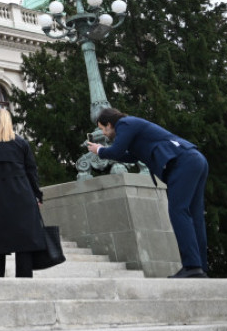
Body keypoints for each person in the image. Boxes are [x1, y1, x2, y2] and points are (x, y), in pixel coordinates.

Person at [87, 107, 209, 278]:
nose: (104, 134)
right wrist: (103, 152)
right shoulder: (132, 126)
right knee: (194, 216)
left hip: (182, 163)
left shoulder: (124, 124)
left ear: (109, 124)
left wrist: (99, 150)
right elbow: (131, 156)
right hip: (194, 159)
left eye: (102, 129)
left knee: (178, 211)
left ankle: (192, 266)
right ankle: (200, 268)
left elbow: (116, 151)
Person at [0, 107, 44, 278]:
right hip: (23, 197)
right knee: (24, 245)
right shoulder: (21, 143)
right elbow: (32, 172)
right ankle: (24, 282)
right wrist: (37, 195)